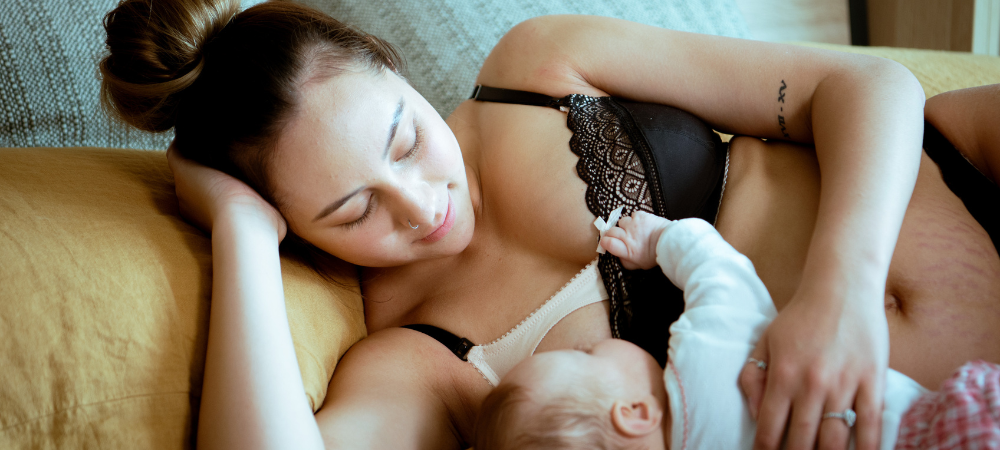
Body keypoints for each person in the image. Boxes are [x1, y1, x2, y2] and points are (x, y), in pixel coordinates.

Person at [98, 0, 1000, 448]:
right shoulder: (414, 357)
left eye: (405, 140)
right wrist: (240, 234)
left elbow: (865, 86)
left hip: (960, 170)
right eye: (351, 209)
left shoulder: (538, 66)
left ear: (394, 66)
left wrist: (839, 293)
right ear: (298, 226)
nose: (422, 207)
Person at [474, 211, 929, 450]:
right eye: (585, 354)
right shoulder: (703, 369)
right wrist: (661, 240)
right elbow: (723, 278)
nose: (595, 345)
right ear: (634, 412)